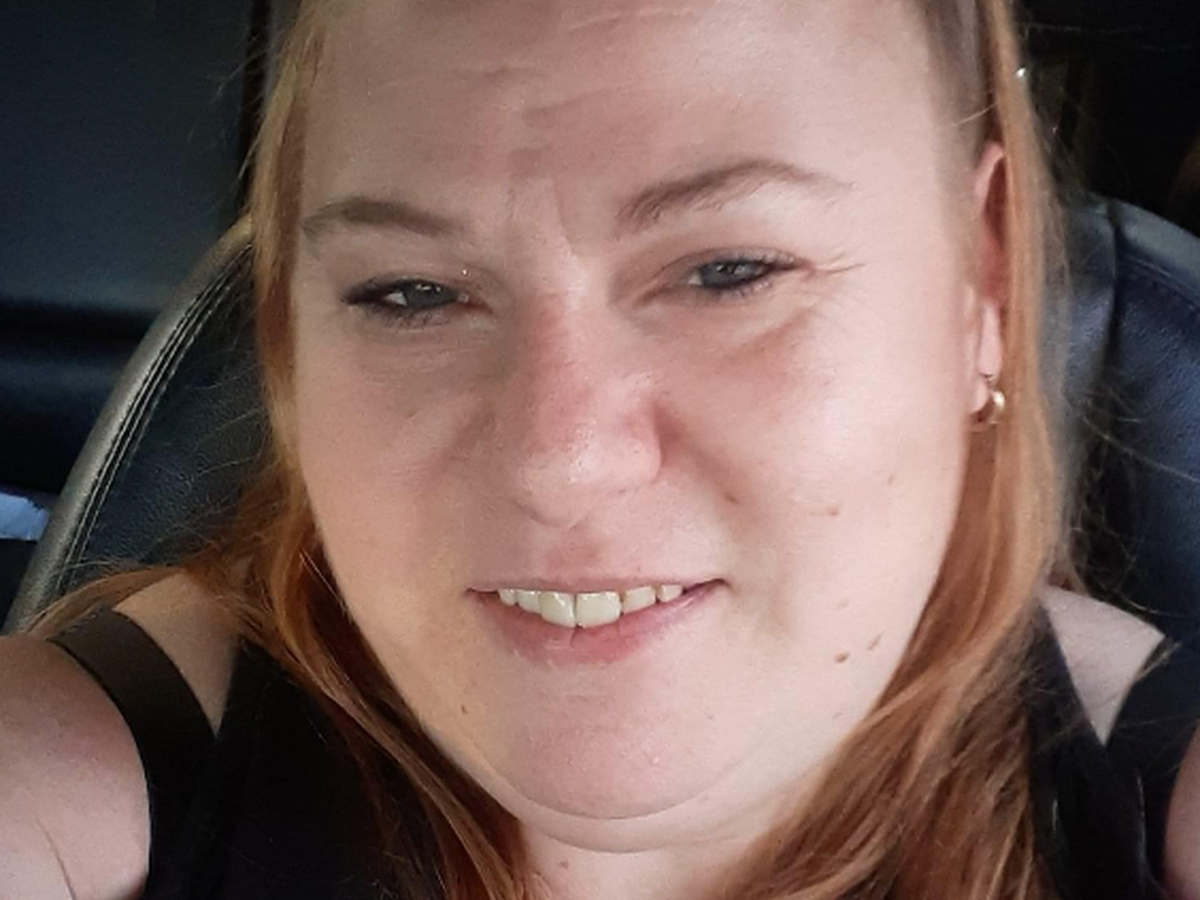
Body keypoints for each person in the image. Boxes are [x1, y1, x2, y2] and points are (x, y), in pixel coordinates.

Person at [2, 0, 1199, 898]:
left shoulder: (1156, 794)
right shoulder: (78, 772)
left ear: (983, 292)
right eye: (411, 293)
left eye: (730, 270)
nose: (558, 463)